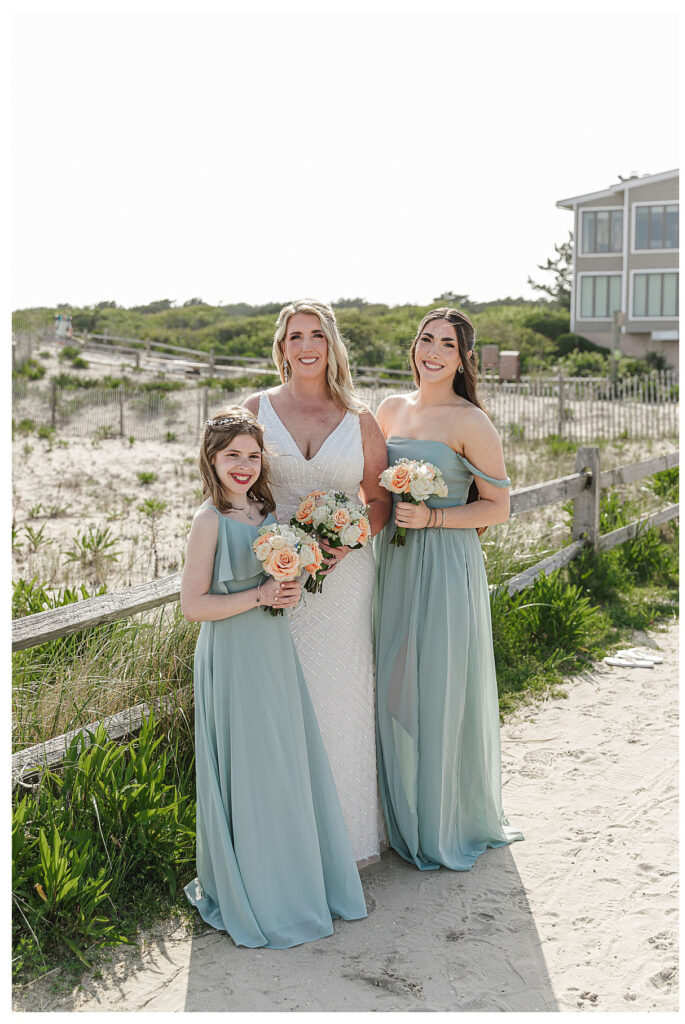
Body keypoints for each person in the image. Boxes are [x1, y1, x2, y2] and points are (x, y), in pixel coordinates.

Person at [181, 406, 366, 948]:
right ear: (211, 460)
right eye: (232, 455)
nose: (243, 465)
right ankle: (254, 890)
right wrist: (260, 595)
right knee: (249, 765)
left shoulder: (263, 512)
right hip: (233, 655)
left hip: (271, 646)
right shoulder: (208, 521)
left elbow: (275, 578)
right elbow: (194, 606)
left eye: (252, 456)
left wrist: (290, 581)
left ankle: (293, 880)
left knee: (284, 762)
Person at [374, 307, 523, 871]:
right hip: (394, 561)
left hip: (445, 562)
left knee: (436, 685)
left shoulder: (471, 422)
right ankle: (397, 810)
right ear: (414, 347)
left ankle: (440, 820)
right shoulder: (390, 409)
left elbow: (498, 507)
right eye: (426, 340)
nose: (433, 352)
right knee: (391, 682)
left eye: (448, 345)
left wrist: (434, 520)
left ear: (463, 360)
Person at [244, 299, 391, 866]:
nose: (306, 346)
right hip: (272, 580)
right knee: (278, 706)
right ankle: (284, 846)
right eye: (295, 336)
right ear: (281, 347)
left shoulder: (360, 420)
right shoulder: (256, 408)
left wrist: (345, 540)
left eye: (317, 336)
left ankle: (348, 844)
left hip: (344, 582)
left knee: (341, 699)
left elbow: (377, 501)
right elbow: (234, 483)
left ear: (332, 346)